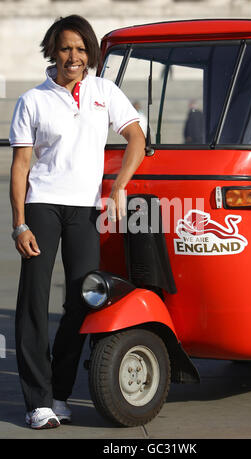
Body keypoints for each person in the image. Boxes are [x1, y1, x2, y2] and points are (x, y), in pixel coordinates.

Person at [9, 15, 145, 429]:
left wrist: (119, 186)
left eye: (82, 49)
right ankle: (38, 403)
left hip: (85, 209)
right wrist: (19, 224)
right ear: (53, 51)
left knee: (83, 300)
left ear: (91, 54)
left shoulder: (105, 91)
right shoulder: (33, 100)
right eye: (66, 48)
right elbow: (20, 166)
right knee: (33, 302)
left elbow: (137, 137)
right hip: (42, 206)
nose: (74, 57)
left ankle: (60, 392)